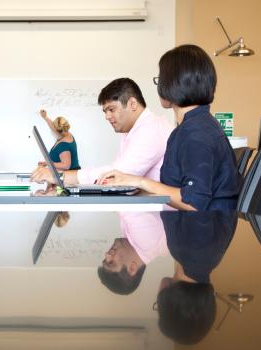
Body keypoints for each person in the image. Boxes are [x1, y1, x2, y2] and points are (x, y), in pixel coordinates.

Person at [98, 45, 241, 211]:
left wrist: (139, 181)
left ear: (175, 84)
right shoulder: (196, 126)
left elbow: (193, 202)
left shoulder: (196, 133)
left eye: (161, 80)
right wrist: (132, 181)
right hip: (199, 229)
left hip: (200, 232)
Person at [31, 78, 173, 186]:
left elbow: (117, 174)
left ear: (132, 104)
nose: (107, 117)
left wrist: (59, 177)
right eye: (105, 111)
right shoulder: (132, 131)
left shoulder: (151, 130)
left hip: (154, 218)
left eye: (111, 109)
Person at [155, 210, 237, 344]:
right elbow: (196, 192)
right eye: (160, 309)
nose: (158, 303)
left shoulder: (211, 259)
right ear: (173, 305)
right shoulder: (185, 248)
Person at [98, 212, 168, 295]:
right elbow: (124, 200)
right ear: (132, 268)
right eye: (111, 263)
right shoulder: (145, 240)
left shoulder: (137, 245)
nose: (107, 255)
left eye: (105, 259)